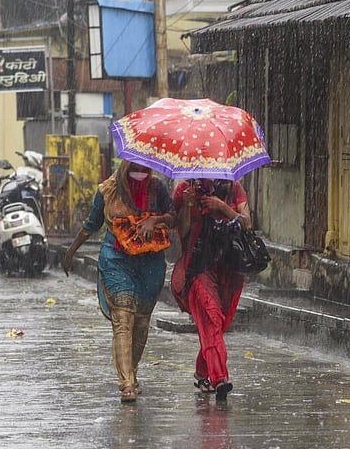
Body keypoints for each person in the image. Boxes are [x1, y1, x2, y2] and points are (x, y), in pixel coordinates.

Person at [63, 161, 175, 403]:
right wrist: (71, 251)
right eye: (136, 168)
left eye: (145, 169)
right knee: (123, 319)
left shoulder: (157, 188)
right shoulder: (108, 191)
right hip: (117, 261)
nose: (140, 174)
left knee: (142, 323)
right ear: (125, 165)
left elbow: (173, 217)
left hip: (150, 263)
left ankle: (132, 373)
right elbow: (90, 225)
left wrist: (154, 221)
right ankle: (126, 384)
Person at [170, 177, 252, 401]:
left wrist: (222, 207)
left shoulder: (234, 189)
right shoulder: (186, 190)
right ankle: (219, 378)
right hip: (198, 267)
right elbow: (183, 232)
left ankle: (202, 372)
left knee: (219, 324)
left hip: (230, 269)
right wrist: (187, 205)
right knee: (211, 318)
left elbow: (247, 224)